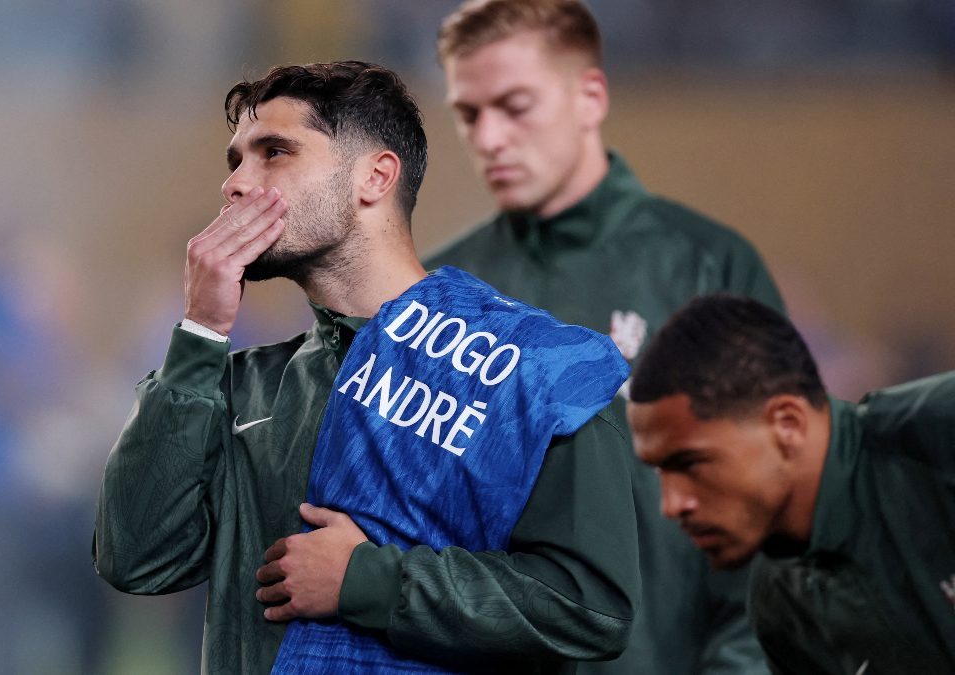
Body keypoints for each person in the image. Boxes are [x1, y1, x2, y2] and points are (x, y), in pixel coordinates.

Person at [93, 61, 642, 673]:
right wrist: (200, 330)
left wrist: (368, 580)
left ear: (375, 177)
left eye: (274, 151)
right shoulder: (242, 385)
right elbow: (138, 558)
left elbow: (589, 607)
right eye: (235, 161)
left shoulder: (531, 365)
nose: (237, 185)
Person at [426, 1, 782, 673]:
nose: (490, 137)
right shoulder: (444, 296)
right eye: (469, 114)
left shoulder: (709, 267)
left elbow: (776, 516)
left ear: (590, 97)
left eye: (515, 105)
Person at [626, 294, 955, 674]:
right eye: (659, 471)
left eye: (692, 463)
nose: (672, 504)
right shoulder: (781, 606)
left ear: (788, 424)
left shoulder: (939, 434)